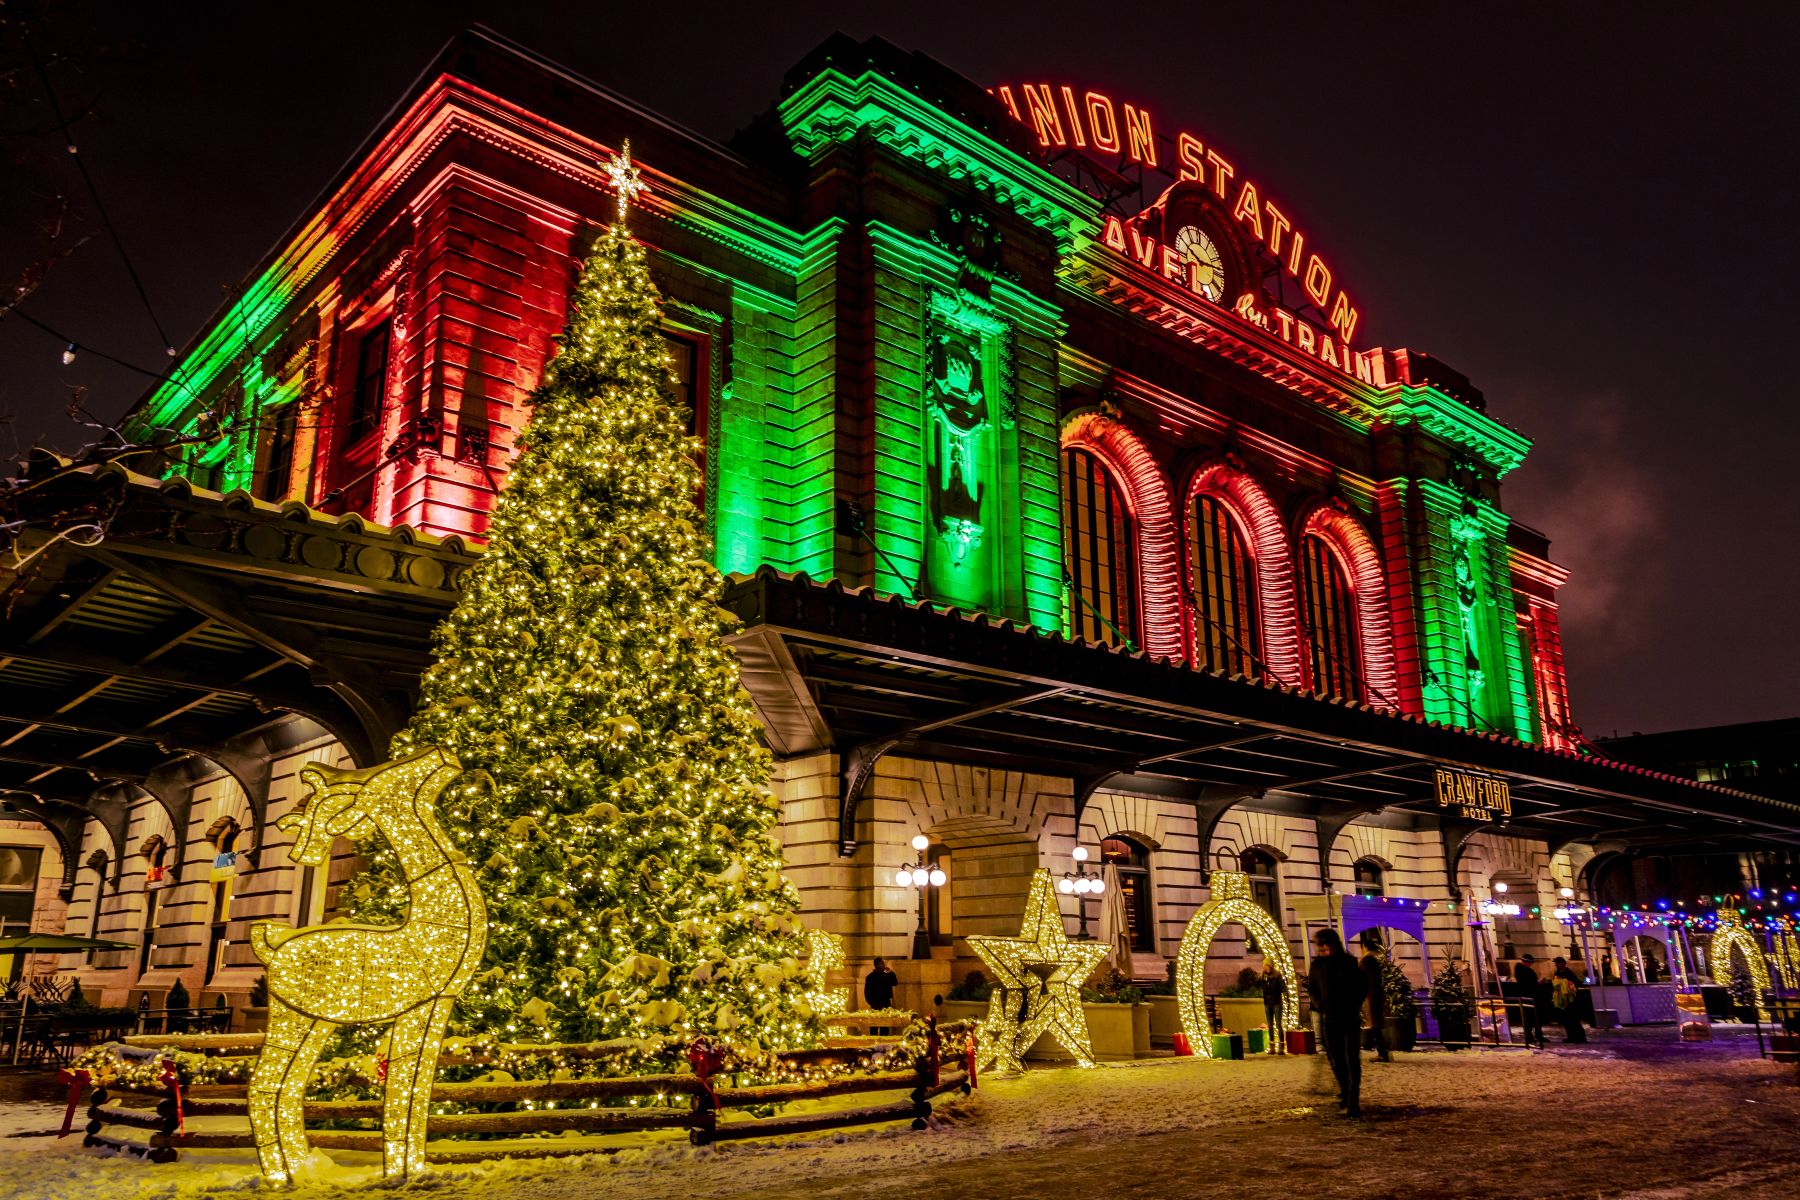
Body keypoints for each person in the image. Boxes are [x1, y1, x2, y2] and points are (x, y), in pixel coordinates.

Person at [1307, 928, 1367, 1117]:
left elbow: (1361, 986)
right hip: (1329, 1017)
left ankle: (1353, 1099)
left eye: (1327, 947)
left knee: (1351, 1058)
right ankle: (1345, 1090)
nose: (1325, 951)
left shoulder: (1349, 962)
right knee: (1336, 1058)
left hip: (1349, 1016)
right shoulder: (1316, 966)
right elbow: (1313, 989)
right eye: (1322, 948)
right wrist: (1320, 1004)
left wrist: (1354, 1004)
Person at [1359, 935, 1390, 1062]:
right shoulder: (1374, 960)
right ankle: (1383, 1051)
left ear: (1364, 947)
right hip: (1374, 995)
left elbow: (1364, 980)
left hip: (1371, 997)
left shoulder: (1367, 960)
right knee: (1376, 1025)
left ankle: (1383, 1053)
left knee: (1375, 1026)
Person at [1551, 956, 1588, 1044]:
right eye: (1556, 963)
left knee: (1574, 1019)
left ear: (1562, 964)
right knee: (1566, 1019)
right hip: (1562, 999)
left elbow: (1574, 984)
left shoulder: (1568, 973)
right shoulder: (1557, 973)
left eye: (1557, 963)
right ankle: (1571, 1036)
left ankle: (1580, 1037)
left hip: (1570, 1000)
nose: (1556, 965)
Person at [1513, 954, 1546, 1049]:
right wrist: (1538, 982)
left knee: (1535, 1017)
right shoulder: (1522, 971)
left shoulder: (1525, 970)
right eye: (1529, 962)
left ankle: (1537, 1035)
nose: (1530, 964)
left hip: (1531, 996)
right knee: (1530, 1017)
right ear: (1525, 962)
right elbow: (1528, 983)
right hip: (1528, 996)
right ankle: (1531, 1037)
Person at [1259, 956, 1288, 1054]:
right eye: (1264, 965)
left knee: (1279, 1025)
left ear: (1270, 966)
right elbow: (1258, 986)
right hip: (1267, 1003)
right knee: (1270, 1025)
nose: (1264, 967)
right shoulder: (1263, 977)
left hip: (1276, 1003)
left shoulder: (1277, 976)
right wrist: (1260, 977)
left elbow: (1283, 988)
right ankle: (1272, 1047)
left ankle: (1281, 1047)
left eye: (1266, 965)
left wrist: (1285, 995)